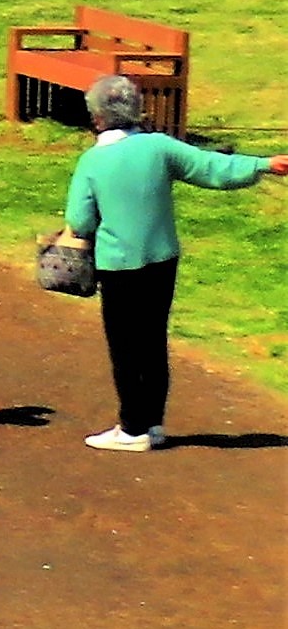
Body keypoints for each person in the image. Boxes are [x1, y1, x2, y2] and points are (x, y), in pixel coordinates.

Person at [57, 73, 280, 451]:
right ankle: (153, 423)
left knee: (126, 347)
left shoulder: (92, 161)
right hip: (162, 260)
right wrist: (263, 164)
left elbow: (79, 222)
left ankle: (132, 429)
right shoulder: (160, 148)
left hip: (119, 265)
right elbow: (213, 169)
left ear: (97, 117)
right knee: (153, 340)